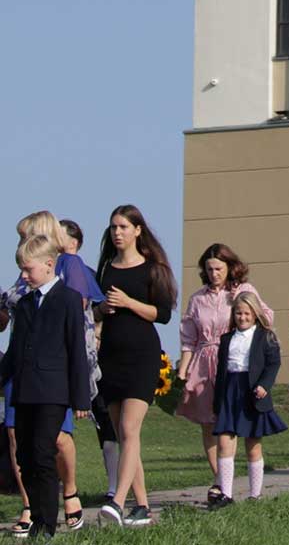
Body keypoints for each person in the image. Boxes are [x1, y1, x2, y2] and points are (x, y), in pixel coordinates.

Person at [1, 213, 101, 536]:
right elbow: (16, 350)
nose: (24, 276)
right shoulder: (27, 304)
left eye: (28, 270)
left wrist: (81, 397)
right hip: (25, 391)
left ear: (48, 264)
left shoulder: (67, 300)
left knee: (44, 453)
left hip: (54, 392)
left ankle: (45, 523)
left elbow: (76, 350)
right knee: (27, 457)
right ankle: (38, 520)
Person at [95, 204, 176, 528]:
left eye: (123, 227)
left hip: (142, 356)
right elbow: (97, 311)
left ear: (137, 231)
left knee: (130, 430)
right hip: (111, 356)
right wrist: (102, 308)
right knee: (123, 434)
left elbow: (164, 313)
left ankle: (116, 502)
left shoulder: (152, 269)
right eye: (114, 227)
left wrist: (129, 303)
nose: (117, 232)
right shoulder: (106, 268)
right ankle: (141, 507)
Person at [178, 244, 273, 500]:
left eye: (219, 268)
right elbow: (189, 338)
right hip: (205, 361)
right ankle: (220, 481)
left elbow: (265, 318)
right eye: (209, 269)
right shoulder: (198, 298)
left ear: (230, 267)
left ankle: (246, 487)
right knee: (210, 422)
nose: (214, 274)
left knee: (241, 426)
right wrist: (183, 370)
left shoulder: (243, 291)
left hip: (237, 361)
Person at [208, 293, 286, 507]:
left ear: (255, 314)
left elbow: (273, 363)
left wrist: (264, 385)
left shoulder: (265, 336)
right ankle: (226, 494)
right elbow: (220, 373)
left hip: (252, 392)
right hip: (230, 392)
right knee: (224, 443)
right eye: (238, 313)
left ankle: (255, 495)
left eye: (246, 313)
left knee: (253, 446)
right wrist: (217, 402)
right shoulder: (226, 339)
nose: (242, 317)